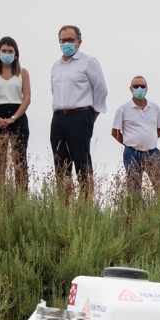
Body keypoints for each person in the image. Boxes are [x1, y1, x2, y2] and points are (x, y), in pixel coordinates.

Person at [50, 25, 107, 196]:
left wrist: (90, 116)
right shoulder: (56, 66)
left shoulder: (88, 62)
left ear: (79, 42)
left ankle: (86, 203)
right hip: (59, 118)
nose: (66, 43)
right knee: (60, 163)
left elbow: (101, 89)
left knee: (82, 163)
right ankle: (65, 204)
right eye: (63, 40)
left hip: (80, 115)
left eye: (70, 40)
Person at [0, 36, 31, 190]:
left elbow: (27, 98)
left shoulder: (22, 72)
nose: (7, 54)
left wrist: (13, 118)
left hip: (17, 116)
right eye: (4, 51)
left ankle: (21, 196)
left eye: (10, 51)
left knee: (20, 160)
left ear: (15, 53)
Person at [111, 75, 160, 193]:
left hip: (152, 152)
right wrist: (129, 142)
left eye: (142, 86)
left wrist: (148, 140)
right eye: (136, 86)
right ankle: (135, 211)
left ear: (147, 88)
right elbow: (115, 132)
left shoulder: (155, 108)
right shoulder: (123, 109)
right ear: (130, 89)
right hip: (132, 153)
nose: (139, 89)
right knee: (134, 190)